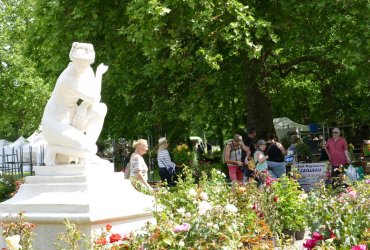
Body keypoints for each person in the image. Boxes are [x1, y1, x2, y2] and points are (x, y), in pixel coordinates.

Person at [41, 42, 108, 166]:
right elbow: (94, 97)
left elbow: (94, 100)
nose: (83, 66)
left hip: (72, 119)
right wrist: (99, 75)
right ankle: (54, 149)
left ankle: (84, 157)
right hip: (54, 124)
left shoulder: (87, 70)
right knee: (91, 148)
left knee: (100, 109)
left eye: (86, 62)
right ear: (73, 60)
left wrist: (83, 105)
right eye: (79, 62)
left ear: (90, 61)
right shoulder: (67, 79)